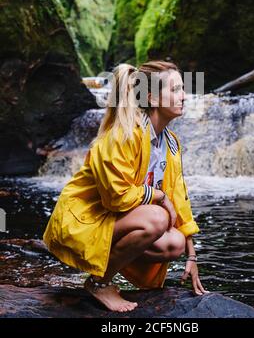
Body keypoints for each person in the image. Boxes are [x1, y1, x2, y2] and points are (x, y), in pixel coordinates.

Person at [43, 60, 208, 313]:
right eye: (175, 90)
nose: (184, 96)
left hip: (115, 223)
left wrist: (192, 255)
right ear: (152, 98)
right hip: (83, 222)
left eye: (183, 88)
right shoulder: (123, 135)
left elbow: (179, 197)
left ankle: (104, 270)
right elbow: (116, 198)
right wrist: (159, 196)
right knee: (157, 217)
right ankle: (99, 282)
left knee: (174, 242)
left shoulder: (171, 143)